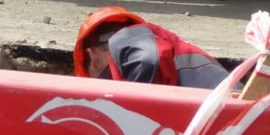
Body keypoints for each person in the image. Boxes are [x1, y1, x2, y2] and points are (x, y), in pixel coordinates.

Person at [73, 6, 229, 88]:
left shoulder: (125, 39)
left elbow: (146, 60)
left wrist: (135, 109)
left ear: (93, 57)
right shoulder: (163, 42)